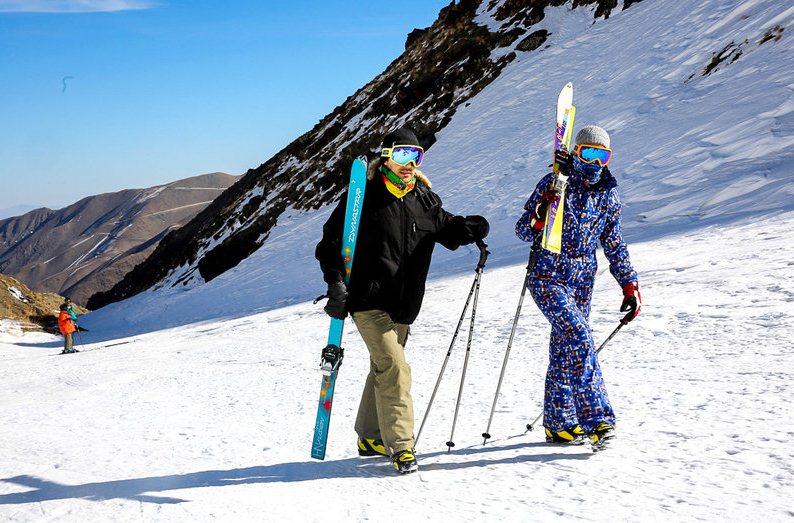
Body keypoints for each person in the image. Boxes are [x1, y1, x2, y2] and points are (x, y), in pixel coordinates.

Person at [315, 126, 490, 473]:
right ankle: (401, 446)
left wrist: (472, 228)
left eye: (416, 157)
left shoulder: (424, 199)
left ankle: (370, 435)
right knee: (395, 367)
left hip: (404, 305)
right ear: (387, 158)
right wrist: (335, 283)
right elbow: (330, 244)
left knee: (383, 368)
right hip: (367, 300)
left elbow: (446, 227)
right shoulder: (361, 197)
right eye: (402, 156)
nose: (409, 164)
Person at [515, 125, 641, 449]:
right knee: (580, 337)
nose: (595, 161)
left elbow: (614, 243)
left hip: (583, 280)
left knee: (564, 348)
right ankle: (597, 419)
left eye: (603, 155)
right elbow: (522, 230)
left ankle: (559, 424)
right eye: (589, 153)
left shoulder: (609, 195)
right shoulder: (555, 184)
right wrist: (540, 214)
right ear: (575, 152)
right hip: (547, 276)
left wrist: (630, 285)